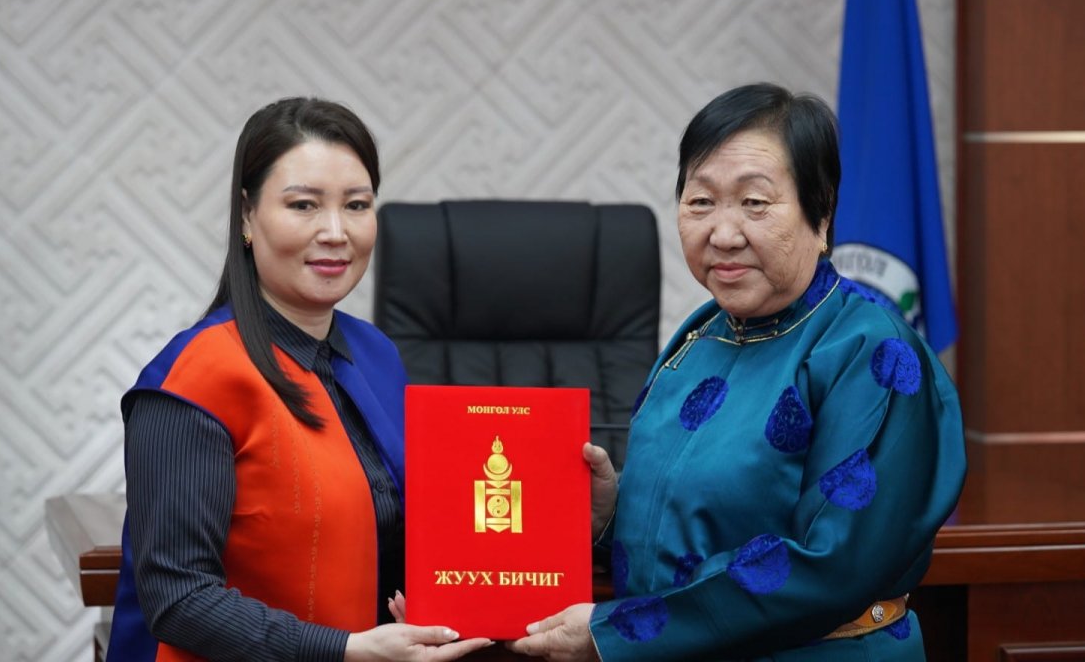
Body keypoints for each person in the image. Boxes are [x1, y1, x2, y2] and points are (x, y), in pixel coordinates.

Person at [509, 83, 966, 661]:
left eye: (755, 203)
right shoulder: (702, 333)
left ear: (821, 213)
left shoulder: (871, 349)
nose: (723, 235)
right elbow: (705, 524)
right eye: (701, 202)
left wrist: (620, 632)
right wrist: (612, 518)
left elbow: (830, 565)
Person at [106, 97, 491, 662]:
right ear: (246, 215)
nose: (335, 232)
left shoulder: (377, 354)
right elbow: (178, 599)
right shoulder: (192, 377)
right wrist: (344, 651)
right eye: (304, 205)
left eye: (356, 205)